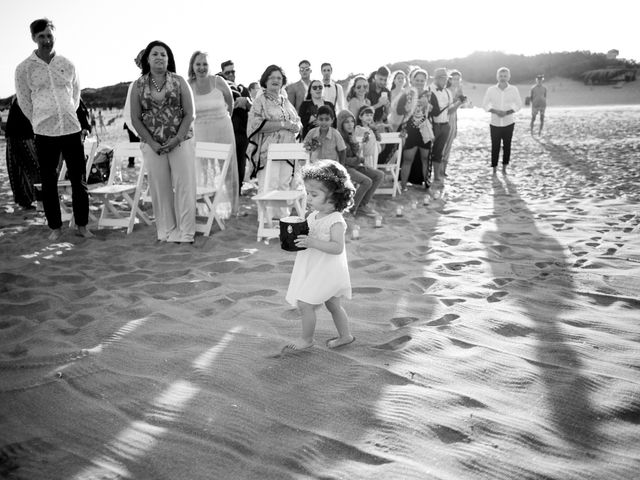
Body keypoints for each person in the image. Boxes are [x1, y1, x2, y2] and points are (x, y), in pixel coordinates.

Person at [15, 18, 92, 240]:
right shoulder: (24, 68)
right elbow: (24, 101)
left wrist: (67, 113)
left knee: (79, 180)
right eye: (42, 37)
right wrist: (39, 120)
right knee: (49, 182)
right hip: (44, 131)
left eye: (49, 36)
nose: (46, 41)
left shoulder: (67, 63)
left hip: (70, 128)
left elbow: (76, 95)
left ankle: (82, 226)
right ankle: (55, 228)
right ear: (33, 38)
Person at [283, 160, 356, 351]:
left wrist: (313, 242)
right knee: (333, 305)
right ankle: (345, 336)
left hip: (327, 270)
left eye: (314, 194)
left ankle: (307, 339)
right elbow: (308, 235)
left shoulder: (335, 220)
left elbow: (337, 247)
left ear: (333, 196)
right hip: (316, 267)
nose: (308, 198)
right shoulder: (313, 215)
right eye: (308, 193)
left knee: (305, 304)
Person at [130, 40, 197, 243]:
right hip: (153, 145)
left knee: (184, 186)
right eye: (155, 54)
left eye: (163, 54)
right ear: (147, 59)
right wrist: (151, 142)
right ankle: (167, 231)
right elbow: (135, 118)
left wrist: (176, 139)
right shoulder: (138, 85)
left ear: (169, 59)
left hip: (180, 140)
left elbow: (190, 114)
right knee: (160, 188)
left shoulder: (179, 81)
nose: (159, 57)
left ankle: (186, 233)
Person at [188, 50, 239, 217]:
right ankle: (206, 210)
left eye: (205, 64)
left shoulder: (218, 81)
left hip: (223, 128)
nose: (202, 68)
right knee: (204, 170)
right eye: (198, 64)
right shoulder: (189, 85)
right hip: (201, 132)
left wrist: (223, 119)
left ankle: (233, 209)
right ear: (192, 66)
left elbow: (230, 103)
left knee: (228, 170)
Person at [246, 65, 301, 195]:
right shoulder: (260, 101)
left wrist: (297, 126)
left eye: (279, 78)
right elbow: (255, 124)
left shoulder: (285, 101)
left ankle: (281, 216)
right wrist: (283, 124)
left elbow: (297, 120)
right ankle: (266, 216)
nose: (275, 80)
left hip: (288, 151)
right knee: (269, 186)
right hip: (268, 151)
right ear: (265, 80)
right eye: (272, 77)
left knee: (284, 186)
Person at [336, 109, 383, 217]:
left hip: (354, 166)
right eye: (347, 122)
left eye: (352, 121)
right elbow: (343, 160)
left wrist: (359, 152)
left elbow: (355, 154)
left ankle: (362, 205)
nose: (350, 124)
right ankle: (351, 209)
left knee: (379, 175)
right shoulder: (339, 137)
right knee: (366, 181)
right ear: (341, 123)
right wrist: (359, 160)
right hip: (344, 168)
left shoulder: (350, 135)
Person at [394, 68, 433, 191]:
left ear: (425, 81)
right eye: (417, 80)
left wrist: (428, 105)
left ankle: (426, 184)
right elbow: (399, 110)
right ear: (412, 80)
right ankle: (404, 185)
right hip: (410, 130)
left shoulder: (429, 94)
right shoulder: (407, 94)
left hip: (425, 130)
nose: (420, 83)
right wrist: (409, 106)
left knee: (425, 158)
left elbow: (435, 111)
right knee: (408, 159)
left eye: (422, 80)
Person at [428, 68, 464, 194]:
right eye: (442, 78)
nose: (445, 80)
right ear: (436, 78)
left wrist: (459, 103)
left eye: (446, 78)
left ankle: (437, 176)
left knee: (439, 152)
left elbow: (449, 110)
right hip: (432, 125)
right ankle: (426, 177)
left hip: (445, 124)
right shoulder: (429, 90)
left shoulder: (448, 92)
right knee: (428, 152)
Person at [482, 67, 522, 175]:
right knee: (495, 146)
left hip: (509, 122)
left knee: (507, 146)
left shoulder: (513, 89)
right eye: (501, 76)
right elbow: (485, 105)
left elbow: (519, 105)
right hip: (494, 123)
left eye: (505, 76)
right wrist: (495, 111)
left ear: (509, 77)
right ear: (497, 77)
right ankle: (494, 168)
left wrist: (507, 112)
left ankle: (504, 168)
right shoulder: (491, 90)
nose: (503, 78)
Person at [4, 96, 40, 210]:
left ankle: (26, 200)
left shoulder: (19, 96)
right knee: (33, 167)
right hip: (22, 136)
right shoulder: (25, 96)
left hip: (15, 136)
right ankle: (36, 199)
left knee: (19, 169)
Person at [221, 60, 252, 192]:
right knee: (227, 163)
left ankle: (238, 190)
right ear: (223, 73)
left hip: (242, 131)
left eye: (232, 71)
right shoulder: (221, 88)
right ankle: (227, 191)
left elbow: (253, 109)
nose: (230, 74)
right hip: (227, 130)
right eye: (227, 72)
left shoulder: (243, 89)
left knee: (240, 162)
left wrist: (247, 101)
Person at [441, 70, 466, 178]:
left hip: (454, 119)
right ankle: (439, 170)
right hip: (445, 119)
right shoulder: (446, 91)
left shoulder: (458, 91)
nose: (456, 81)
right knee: (443, 145)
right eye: (454, 79)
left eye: (458, 79)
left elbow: (457, 108)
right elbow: (448, 109)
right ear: (450, 79)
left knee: (449, 144)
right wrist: (458, 102)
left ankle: (444, 170)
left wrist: (461, 100)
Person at [123, 49, 145, 168]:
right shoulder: (135, 86)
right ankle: (131, 162)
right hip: (147, 139)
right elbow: (128, 115)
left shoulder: (171, 81)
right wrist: (142, 135)